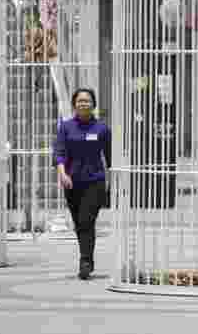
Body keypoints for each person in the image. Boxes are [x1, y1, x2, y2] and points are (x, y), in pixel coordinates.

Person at [55, 88, 111, 280]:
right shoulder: (66, 127)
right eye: (79, 101)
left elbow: (110, 156)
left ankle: (85, 262)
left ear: (93, 104)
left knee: (87, 221)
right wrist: (62, 174)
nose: (83, 104)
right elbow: (59, 152)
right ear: (74, 104)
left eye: (87, 101)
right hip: (72, 183)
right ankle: (87, 258)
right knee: (80, 224)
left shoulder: (102, 129)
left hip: (95, 181)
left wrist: (112, 180)